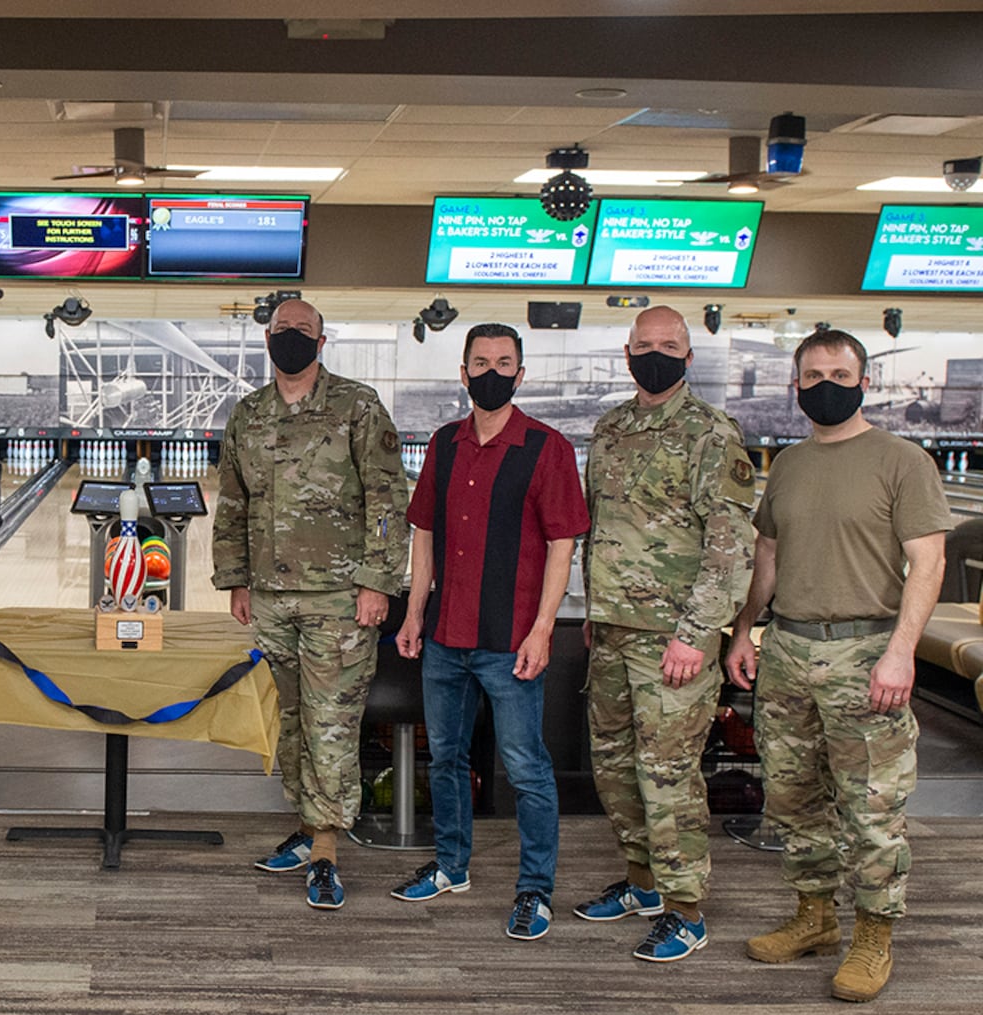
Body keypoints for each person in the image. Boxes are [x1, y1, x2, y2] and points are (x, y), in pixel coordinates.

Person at [726, 329, 949, 1002]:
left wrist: (901, 651)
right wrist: (743, 631)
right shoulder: (789, 465)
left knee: (872, 807)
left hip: (866, 650)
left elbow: (929, 563)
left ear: (864, 382)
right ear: (795, 386)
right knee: (792, 797)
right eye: (813, 373)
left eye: (840, 372)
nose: (827, 383)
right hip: (788, 649)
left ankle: (873, 935)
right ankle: (815, 917)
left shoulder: (902, 460)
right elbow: (767, 559)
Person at [392, 323, 589, 941]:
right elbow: (424, 531)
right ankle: (452, 866)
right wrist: (414, 612)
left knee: (526, 766)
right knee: (445, 758)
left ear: (521, 374)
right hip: (446, 636)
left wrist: (542, 630)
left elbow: (563, 545)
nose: (492, 372)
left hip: (510, 642)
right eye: (481, 362)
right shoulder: (444, 444)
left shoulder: (546, 447)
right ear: (463, 372)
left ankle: (536, 891)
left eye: (504, 362)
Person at [213, 297, 408, 911]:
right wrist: (236, 579)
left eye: (303, 330)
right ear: (266, 339)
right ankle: (306, 829)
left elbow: (387, 500)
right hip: (271, 598)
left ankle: (326, 850)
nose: (291, 338)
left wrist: (379, 581)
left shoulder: (357, 405)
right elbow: (233, 504)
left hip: (340, 599)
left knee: (331, 725)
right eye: (281, 331)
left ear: (322, 342)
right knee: (294, 722)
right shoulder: (248, 414)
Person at [576, 305, 755, 962]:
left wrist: (696, 633)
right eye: (644, 344)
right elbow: (603, 529)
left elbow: (731, 543)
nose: (655, 353)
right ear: (628, 353)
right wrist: (597, 612)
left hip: (674, 640)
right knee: (616, 765)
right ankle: (643, 882)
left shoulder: (711, 433)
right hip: (615, 631)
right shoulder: (611, 427)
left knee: (668, 774)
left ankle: (686, 909)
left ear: (688, 356)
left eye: (668, 344)